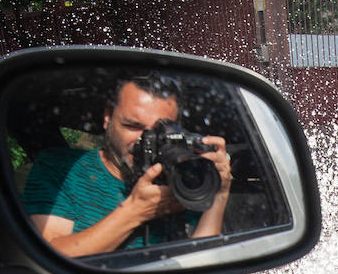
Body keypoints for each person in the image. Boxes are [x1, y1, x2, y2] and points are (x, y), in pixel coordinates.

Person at [21, 73, 232, 257]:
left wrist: (219, 192)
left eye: (159, 131)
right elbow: (51, 256)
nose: (143, 140)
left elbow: (202, 259)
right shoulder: (61, 168)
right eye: (132, 126)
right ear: (107, 117)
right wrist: (136, 211)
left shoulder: (182, 176)